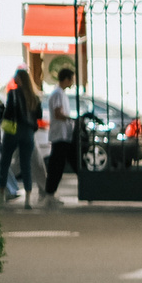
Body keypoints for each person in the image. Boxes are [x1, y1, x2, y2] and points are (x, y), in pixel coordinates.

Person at [0, 68, 41, 201]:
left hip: (13, 131)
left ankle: (2, 193)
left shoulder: (13, 93)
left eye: (16, 76)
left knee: (5, 162)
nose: (14, 78)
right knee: (25, 164)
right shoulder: (34, 96)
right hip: (28, 132)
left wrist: (3, 122)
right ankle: (28, 197)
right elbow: (38, 116)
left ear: (20, 79)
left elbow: (9, 112)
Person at [41, 64, 80, 200]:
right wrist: (71, 118)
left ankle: (51, 192)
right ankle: (50, 193)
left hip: (63, 135)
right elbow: (58, 114)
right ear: (66, 79)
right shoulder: (57, 94)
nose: (73, 82)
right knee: (57, 165)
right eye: (72, 79)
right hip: (60, 135)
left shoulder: (59, 93)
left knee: (62, 164)